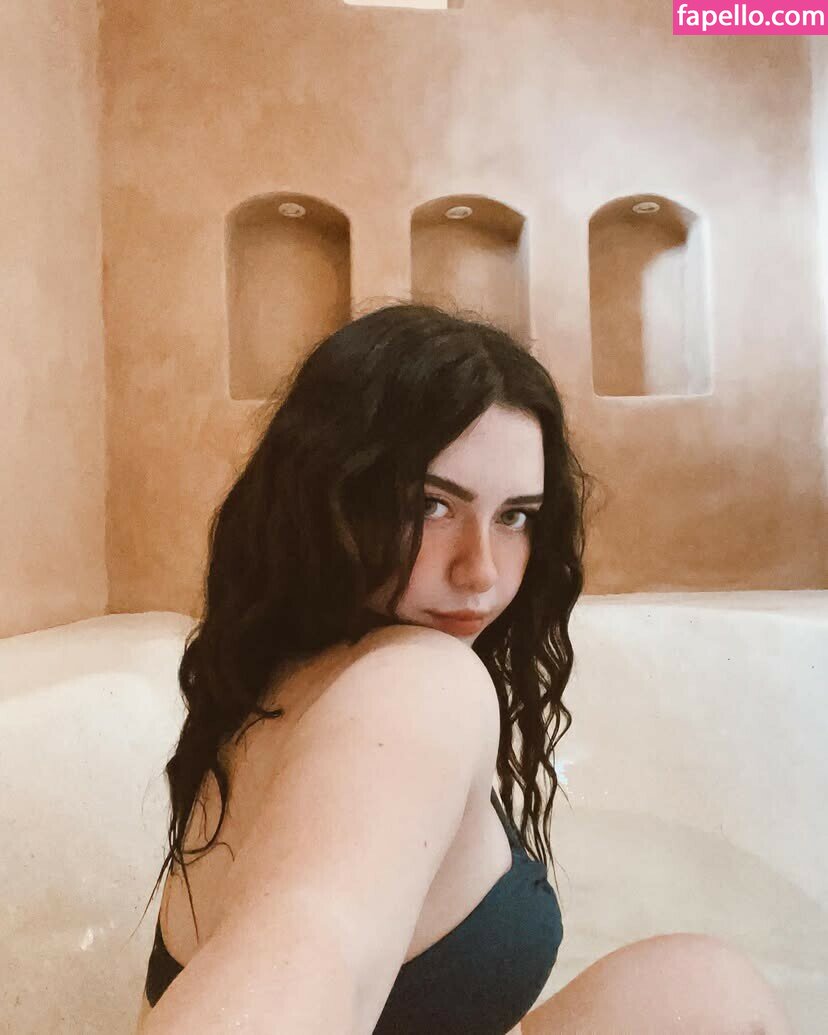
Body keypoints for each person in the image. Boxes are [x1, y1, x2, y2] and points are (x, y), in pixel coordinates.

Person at [135, 303, 794, 1034]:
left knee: (703, 988)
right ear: (329, 496)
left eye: (515, 516)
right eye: (432, 505)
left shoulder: (280, 676)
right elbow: (307, 950)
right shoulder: (419, 684)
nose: (480, 571)